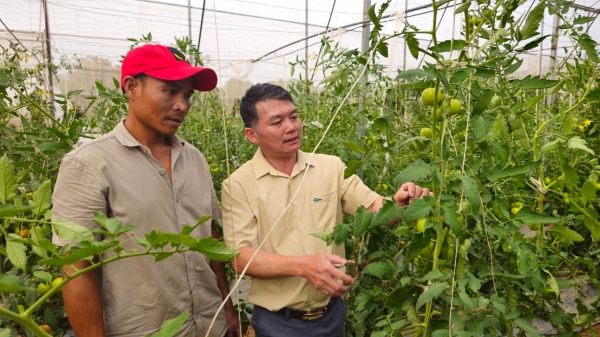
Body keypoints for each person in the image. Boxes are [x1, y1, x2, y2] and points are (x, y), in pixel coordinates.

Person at [52, 44, 239, 337]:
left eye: (187, 95)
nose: (183, 105)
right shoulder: (89, 164)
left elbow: (209, 239)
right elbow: (77, 268)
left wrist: (226, 307)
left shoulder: (195, 159)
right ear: (131, 87)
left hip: (209, 326)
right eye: (170, 91)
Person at [221, 83, 432, 337]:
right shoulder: (239, 184)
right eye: (277, 122)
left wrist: (400, 204)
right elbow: (239, 256)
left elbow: (376, 209)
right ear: (252, 135)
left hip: (331, 318)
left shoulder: (331, 168)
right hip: (277, 324)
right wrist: (304, 266)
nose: (291, 127)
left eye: (294, 117)